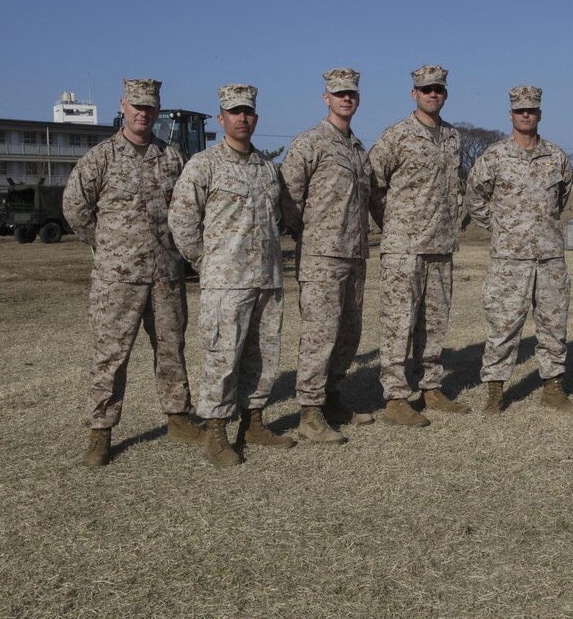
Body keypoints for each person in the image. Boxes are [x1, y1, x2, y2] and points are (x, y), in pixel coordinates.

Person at [63, 78, 204, 467]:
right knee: (111, 356)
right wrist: (108, 245)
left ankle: (178, 418)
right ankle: (100, 432)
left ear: (157, 111)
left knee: (172, 348)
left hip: (165, 275)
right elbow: (75, 208)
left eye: (150, 107)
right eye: (137, 106)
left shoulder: (172, 159)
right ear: (123, 106)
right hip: (117, 278)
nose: (143, 113)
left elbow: (186, 211)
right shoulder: (101, 157)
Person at [168, 84, 294, 468]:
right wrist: (206, 263)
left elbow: (279, 218)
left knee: (263, 357)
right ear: (221, 117)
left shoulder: (268, 169)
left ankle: (253, 423)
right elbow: (181, 219)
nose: (242, 118)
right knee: (222, 359)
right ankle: (216, 433)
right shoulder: (204, 165)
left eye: (248, 112)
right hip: (226, 282)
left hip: (268, 279)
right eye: (235, 112)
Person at [464, 85, 573, 415]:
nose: (526, 114)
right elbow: (474, 197)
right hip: (508, 259)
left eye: (531, 110)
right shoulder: (494, 157)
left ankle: (553, 388)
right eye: (520, 110)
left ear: (539, 114)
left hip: (549, 257)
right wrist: (502, 227)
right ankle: (495, 391)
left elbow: (561, 198)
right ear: (511, 115)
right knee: (502, 326)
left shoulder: (556, 157)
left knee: (553, 325)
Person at [368, 64, 467, 427]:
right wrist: (393, 224)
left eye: (438, 89)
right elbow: (373, 184)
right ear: (414, 94)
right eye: (426, 89)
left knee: (434, 323)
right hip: (404, 246)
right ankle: (395, 397)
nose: (432, 94)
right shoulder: (396, 136)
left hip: (441, 245)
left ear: (445, 93)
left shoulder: (453, 136)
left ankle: (431, 387)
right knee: (399, 322)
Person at [280, 68, 374, 444]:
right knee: (320, 334)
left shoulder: (357, 148)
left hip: (354, 255)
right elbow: (289, 199)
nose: (345, 99)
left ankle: (332, 397)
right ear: (326, 98)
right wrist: (310, 234)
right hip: (321, 256)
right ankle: (309, 412)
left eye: (351, 93)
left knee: (348, 334)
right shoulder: (310, 143)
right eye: (338, 94)